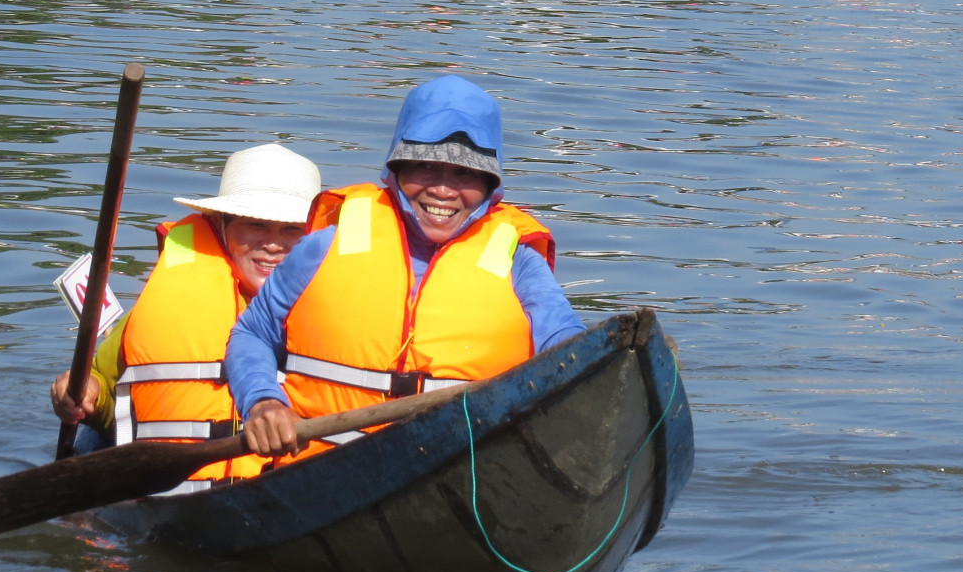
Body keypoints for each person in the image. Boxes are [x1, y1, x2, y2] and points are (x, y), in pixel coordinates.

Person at [228, 76, 585, 460]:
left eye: (464, 173)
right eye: (425, 167)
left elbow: (566, 344)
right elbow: (252, 334)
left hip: (457, 471)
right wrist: (263, 401)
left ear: (489, 184)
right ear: (396, 169)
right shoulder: (324, 245)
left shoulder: (520, 262)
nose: (443, 191)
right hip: (318, 469)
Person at [52, 144, 323, 489]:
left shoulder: (334, 313)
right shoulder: (161, 309)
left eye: (291, 229)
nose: (273, 244)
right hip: (174, 495)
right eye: (256, 225)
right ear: (220, 225)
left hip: (290, 486)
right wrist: (82, 394)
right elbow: (107, 399)